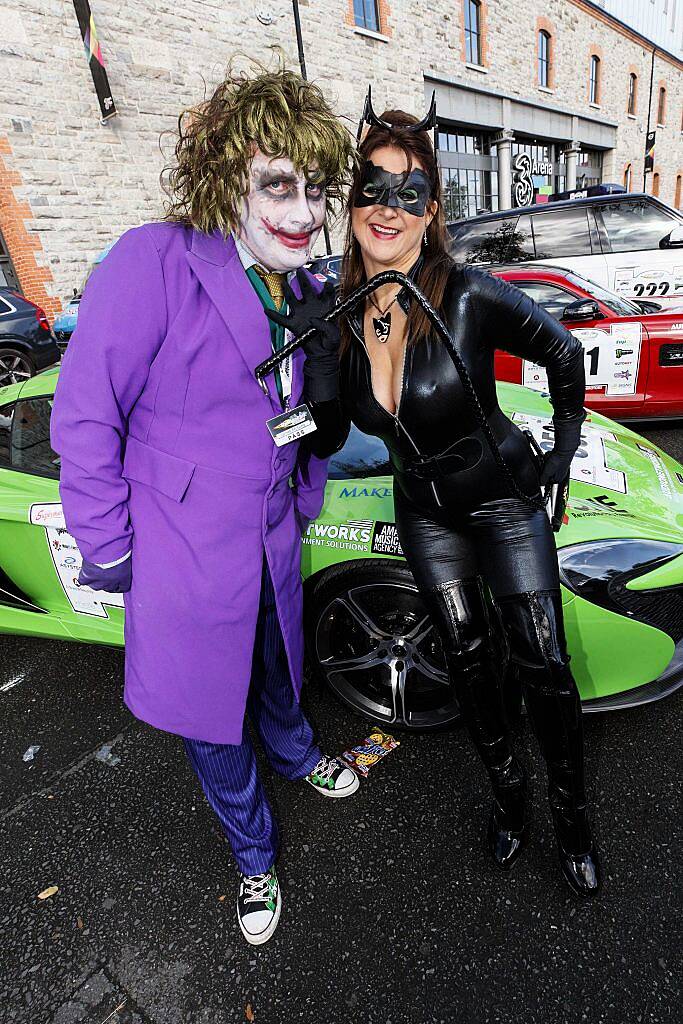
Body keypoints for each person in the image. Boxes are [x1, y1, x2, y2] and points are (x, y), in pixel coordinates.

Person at [50, 65, 358, 946]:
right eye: (277, 186)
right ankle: (252, 855)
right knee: (208, 714)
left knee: (276, 663)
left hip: (269, 536)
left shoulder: (299, 289)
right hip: (182, 547)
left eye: (313, 189)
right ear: (227, 181)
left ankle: (298, 754)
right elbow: (85, 414)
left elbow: (302, 420)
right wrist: (109, 546)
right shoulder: (152, 261)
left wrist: (303, 500)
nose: (303, 212)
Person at [271, 103, 602, 898]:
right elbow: (320, 436)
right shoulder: (337, 314)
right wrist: (314, 371)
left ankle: (572, 818)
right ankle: (510, 801)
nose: (388, 206)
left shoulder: (466, 295)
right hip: (424, 509)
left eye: (409, 191)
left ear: (433, 211)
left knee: (542, 662)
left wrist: (559, 449)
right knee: (466, 661)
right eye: (372, 187)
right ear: (349, 205)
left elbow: (563, 349)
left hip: (501, 500)